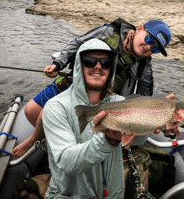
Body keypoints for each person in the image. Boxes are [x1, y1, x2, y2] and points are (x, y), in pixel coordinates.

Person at [11, 18, 172, 157]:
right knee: (31, 111)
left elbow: (146, 95)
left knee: (46, 114)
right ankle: (53, 143)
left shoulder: (145, 64)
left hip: (106, 98)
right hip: (76, 82)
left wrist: (155, 113)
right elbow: (77, 42)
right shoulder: (109, 32)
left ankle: (49, 143)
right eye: (150, 40)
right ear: (139, 29)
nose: (149, 47)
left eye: (155, 48)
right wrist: (58, 63)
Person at [42, 38, 180, 199]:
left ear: (111, 68)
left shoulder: (120, 103)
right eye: (90, 61)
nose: (98, 66)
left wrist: (157, 121)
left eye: (105, 63)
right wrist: (108, 140)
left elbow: (137, 141)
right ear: (79, 65)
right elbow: (67, 161)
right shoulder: (56, 107)